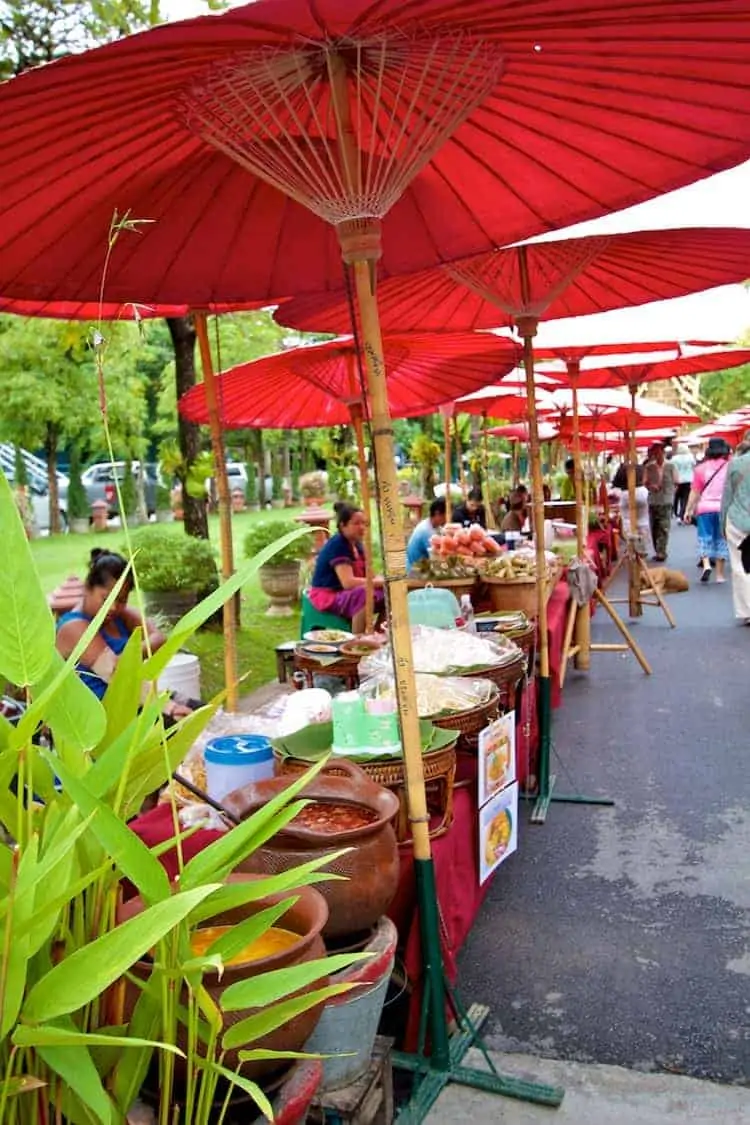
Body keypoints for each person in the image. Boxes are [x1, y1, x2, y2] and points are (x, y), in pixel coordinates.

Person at [55, 549, 193, 719]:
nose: (113, 607)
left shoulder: (119, 616)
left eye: (121, 600)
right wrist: (169, 707)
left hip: (135, 697)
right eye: (106, 599)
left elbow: (160, 638)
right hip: (98, 717)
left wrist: (126, 657)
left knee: (200, 710)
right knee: (183, 722)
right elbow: (114, 674)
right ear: (87, 588)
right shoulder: (73, 627)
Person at [309, 501, 385, 633]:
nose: (362, 527)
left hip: (345, 593)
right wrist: (377, 582)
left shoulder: (357, 545)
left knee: (388, 592)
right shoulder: (338, 545)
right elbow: (348, 583)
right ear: (343, 526)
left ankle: (379, 633)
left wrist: (382, 581)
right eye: (356, 523)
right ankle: (358, 641)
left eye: (363, 523)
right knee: (364, 594)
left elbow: (370, 575)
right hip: (328, 595)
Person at [684, 437, 731, 583]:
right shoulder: (729, 467)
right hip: (723, 509)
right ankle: (720, 575)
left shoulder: (700, 469)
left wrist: (688, 510)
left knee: (705, 538)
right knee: (721, 539)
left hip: (704, 509)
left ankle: (706, 565)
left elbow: (695, 492)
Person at [720, 432, 750, 623]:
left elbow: (727, 498)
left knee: (740, 566)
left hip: (738, 518)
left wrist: (722, 524)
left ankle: (747, 611)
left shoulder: (736, 463)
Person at [643, 442, 677, 561]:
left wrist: (671, 491)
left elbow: (676, 481)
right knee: (654, 526)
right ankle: (658, 549)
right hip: (653, 500)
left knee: (664, 526)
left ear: (663, 452)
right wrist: (651, 486)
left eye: (658, 452)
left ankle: (661, 551)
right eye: (654, 453)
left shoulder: (671, 466)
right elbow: (645, 482)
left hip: (666, 500)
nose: (656, 455)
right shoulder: (649, 467)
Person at [406, 497, 447, 570]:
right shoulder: (426, 531)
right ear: (437, 513)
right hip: (416, 572)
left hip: (422, 567)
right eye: (445, 515)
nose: (447, 519)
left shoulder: (431, 525)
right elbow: (438, 557)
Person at [671, 442, 697, 522]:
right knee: (685, 498)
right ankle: (681, 514)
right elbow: (694, 466)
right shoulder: (690, 457)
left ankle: (676, 513)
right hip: (689, 479)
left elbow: (673, 470)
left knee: (677, 497)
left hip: (678, 480)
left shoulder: (674, 459)